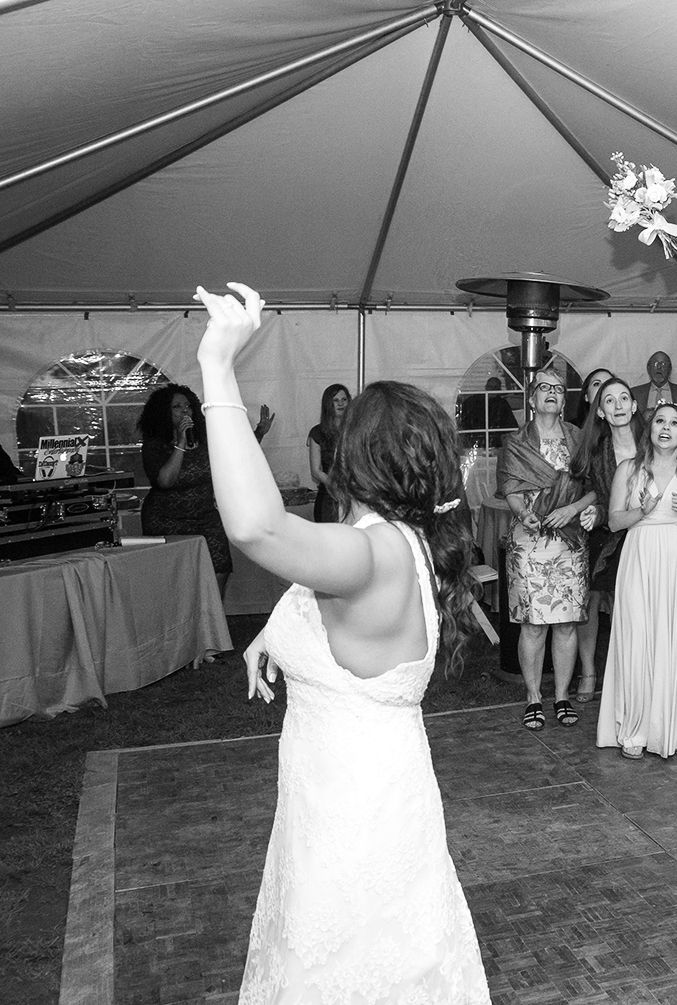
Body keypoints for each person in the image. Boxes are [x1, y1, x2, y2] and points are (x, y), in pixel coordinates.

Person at [192, 284, 488, 1004]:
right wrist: (278, 630)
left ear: (356, 457)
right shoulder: (398, 542)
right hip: (358, 789)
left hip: (353, 813)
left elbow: (259, 528)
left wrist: (216, 369)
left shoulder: (373, 553)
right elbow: (325, 602)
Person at [597, 402, 677, 758]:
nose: (666, 428)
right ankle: (634, 728)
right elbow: (614, 521)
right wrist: (641, 511)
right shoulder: (629, 469)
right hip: (640, 554)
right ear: (650, 428)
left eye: (674, 423)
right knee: (638, 637)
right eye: (660, 421)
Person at [498, 369, 597, 730]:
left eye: (558, 388)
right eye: (545, 387)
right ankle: (533, 698)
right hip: (529, 542)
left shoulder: (578, 438)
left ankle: (562, 696)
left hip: (570, 541)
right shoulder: (516, 442)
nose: (552, 392)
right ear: (532, 398)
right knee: (534, 625)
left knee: (567, 623)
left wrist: (572, 509)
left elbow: (595, 484)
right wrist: (524, 514)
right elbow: (509, 485)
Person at [569, 377, 644, 701]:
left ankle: (632, 674)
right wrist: (595, 514)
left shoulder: (653, 439)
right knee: (592, 601)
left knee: (635, 609)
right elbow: (599, 496)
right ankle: (589, 672)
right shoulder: (596, 451)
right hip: (607, 536)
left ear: (634, 405)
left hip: (649, 534)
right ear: (600, 411)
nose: (618, 406)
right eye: (609, 401)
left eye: (623, 398)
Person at [139, 384, 236, 596]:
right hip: (166, 520)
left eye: (188, 406)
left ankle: (213, 623)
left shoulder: (207, 440)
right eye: (177, 406)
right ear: (164, 412)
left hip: (205, 517)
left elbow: (233, 456)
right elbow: (165, 481)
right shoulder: (154, 445)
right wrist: (181, 443)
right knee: (177, 580)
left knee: (221, 568)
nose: (185, 410)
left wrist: (259, 432)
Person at [307, 383, 350, 523]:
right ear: (328, 404)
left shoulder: (356, 430)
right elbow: (316, 470)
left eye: (344, 400)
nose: (341, 404)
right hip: (328, 497)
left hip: (355, 496)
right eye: (336, 400)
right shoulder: (317, 432)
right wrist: (336, 486)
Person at [632, 350, 677, 415]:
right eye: (655, 363)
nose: (659, 367)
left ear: (670, 369)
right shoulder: (634, 394)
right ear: (648, 368)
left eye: (664, 364)